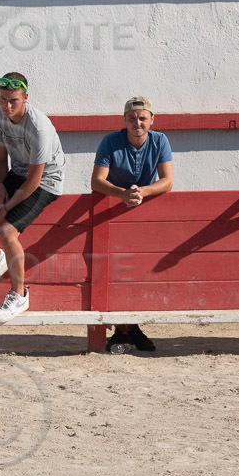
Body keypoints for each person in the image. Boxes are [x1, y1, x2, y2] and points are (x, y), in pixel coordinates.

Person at [0, 72, 65, 324]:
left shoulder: (39, 127)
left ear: (25, 98)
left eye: (13, 100)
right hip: (17, 173)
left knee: (6, 230)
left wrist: (6, 207)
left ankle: (19, 294)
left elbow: (35, 180)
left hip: (46, 181)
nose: (7, 106)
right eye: (3, 99)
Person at [92, 96, 175, 353]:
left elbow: (167, 181)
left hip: (142, 212)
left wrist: (142, 193)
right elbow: (97, 182)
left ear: (152, 120)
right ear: (124, 120)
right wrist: (122, 194)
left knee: (137, 271)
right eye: (132, 118)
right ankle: (122, 329)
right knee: (116, 270)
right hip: (111, 213)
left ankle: (130, 328)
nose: (137, 122)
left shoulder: (160, 140)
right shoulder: (110, 141)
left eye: (142, 118)